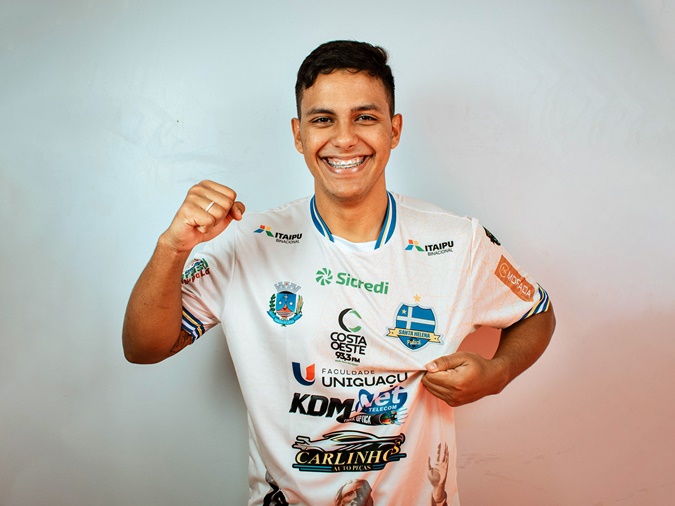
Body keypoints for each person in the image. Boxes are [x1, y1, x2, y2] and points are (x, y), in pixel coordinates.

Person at [123, 40, 556, 505]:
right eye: (323, 119)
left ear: (394, 130)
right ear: (298, 134)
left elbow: (536, 311)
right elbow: (143, 348)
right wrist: (172, 248)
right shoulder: (246, 241)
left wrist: (498, 372)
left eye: (364, 117)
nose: (345, 138)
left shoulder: (459, 242)